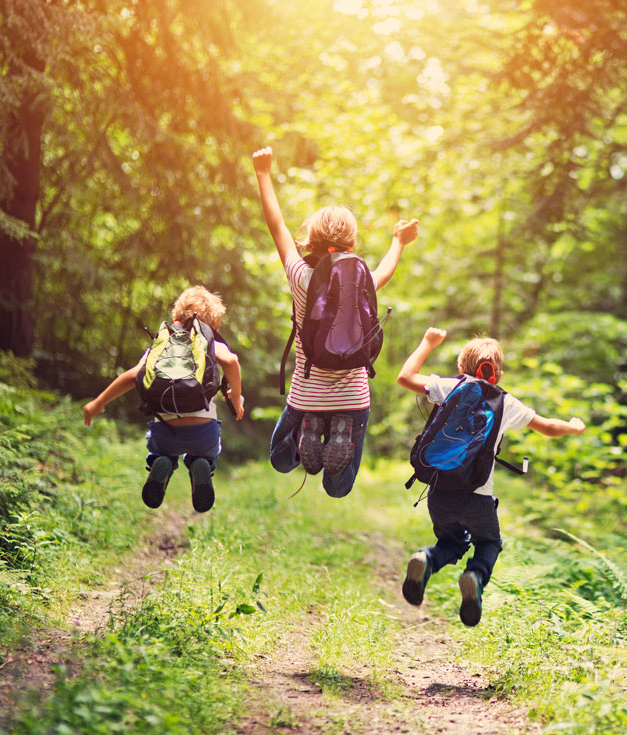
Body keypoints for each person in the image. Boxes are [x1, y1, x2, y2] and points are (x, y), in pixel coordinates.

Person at [252, 145, 418, 497]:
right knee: (338, 487)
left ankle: (308, 427)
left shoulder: (301, 276)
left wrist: (263, 173)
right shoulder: (362, 282)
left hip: (306, 393)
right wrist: (398, 241)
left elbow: (276, 225)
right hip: (353, 396)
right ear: (351, 240)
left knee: (281, 459)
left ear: (312, 239)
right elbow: (385, 270)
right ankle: (336, 428)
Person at [396, 327, 585, 626]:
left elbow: (405, 377)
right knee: (488, 543)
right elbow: (548, 426)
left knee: (452, 541)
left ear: (462, 367)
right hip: (479, 498)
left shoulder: (449, 386)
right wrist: (574, 426)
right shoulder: (506, 402)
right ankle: (474, 576)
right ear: (497, 373)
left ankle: (426, 560)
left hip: (439, 492)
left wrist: (428, 342)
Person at [82, 286, 245, 513]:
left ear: (175, 317)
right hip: (203, 432)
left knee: (161, 451)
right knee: (208, 453)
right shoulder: (209, 341)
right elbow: (231, 361)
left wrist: (96, 404)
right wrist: (236, 398)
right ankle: (202, 465)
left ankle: (163, 463)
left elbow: (132, 376)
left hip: (165, 433)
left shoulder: (161, 344)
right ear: (214, 326)